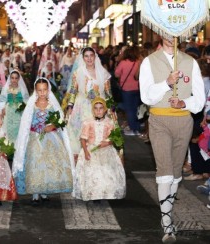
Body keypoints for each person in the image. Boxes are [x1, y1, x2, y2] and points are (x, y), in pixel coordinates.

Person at [139, 37, 205, 243]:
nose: (171, 35)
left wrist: (184, 103)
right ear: (160, 33)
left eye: (175, 31)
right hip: (159, 120)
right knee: (165, 171)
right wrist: (166, 83)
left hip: (183, 121)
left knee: (176, 172)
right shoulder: (149, 61)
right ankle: (167, 223)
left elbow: (200, 99)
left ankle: (168, 212)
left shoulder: (190, 62)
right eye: (166, 30)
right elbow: (146, 96)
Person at [12, 78, 75, 205]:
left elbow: (59, 122)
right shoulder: (31, 105)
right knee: (36, 162)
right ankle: (35, 193)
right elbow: (25, 123)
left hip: (51, 138)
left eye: (44, 90)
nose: (42, 93)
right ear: (35, 91)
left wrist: (52, 126)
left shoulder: (52, 105)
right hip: (35, 137)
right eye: (39, 90)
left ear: (48, 90)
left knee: (48, 163)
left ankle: (45, 191)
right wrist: (34, 129)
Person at [73, 97, 126, 201]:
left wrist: (107, 143)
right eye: (96, 108)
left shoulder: (109, 123)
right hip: (91, 149)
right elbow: (83, 139)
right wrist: (85, 151)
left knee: (106, 170)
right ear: (93, 110)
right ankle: (94, 193)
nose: (98, 111)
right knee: (93, 170)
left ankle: (105, 192)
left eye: (101, 108)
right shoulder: (87, 122)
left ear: (105, 110)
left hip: (106, 149)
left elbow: (113, 138)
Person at [66, 47, 111, 156]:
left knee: (96, 133)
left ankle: (94, 156)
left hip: (98, 106)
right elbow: (73, 90)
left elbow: (108, 93)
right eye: (86, 56)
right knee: (81, 132)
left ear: (95, 57)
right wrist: (70, 107)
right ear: (83, 58)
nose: (89, 58)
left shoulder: (103, 73)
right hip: (81, 106)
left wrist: (110, 108)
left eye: (91, 55)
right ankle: (82, 156)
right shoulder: (78, 72)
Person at [114, 46, 141, 136]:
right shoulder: (138, 62)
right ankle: (136, 127)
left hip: (126, 89)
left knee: (129, 110)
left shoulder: (123, 62)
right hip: (137, 89)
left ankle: (133, 129)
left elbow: (116, 74)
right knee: (136, 109)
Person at [0, 70, 29, 143]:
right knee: (9, 130)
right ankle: (9, 147)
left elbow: (26, 100)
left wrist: (23, 106)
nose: (14, 80)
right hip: (8, 112)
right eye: (12, 78)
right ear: (10, 78)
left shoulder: (22, 89)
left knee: (18, 130)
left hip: (19, 113)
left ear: (18, 79)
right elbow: (2, 100)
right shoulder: (6, 88)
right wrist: (2, 108)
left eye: (16, 78)